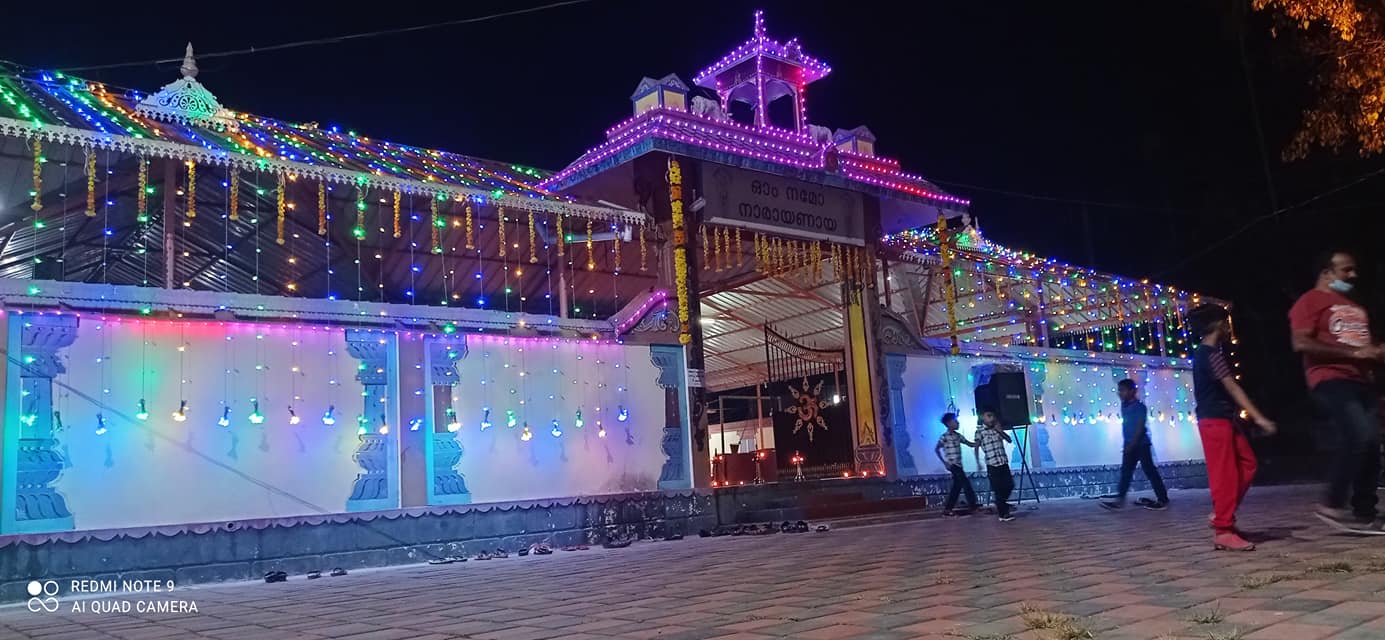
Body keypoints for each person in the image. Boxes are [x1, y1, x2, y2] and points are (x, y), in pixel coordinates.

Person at [1288, 249, 1385, 533]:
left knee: (1371, 445)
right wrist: (1356, 354)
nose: (1353, 275)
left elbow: (1361, 347)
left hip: (1362, 381)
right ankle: (1332, 504)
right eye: (1347, 270)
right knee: (1359, 435)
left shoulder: (1355, 307)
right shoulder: (1310, 300)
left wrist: (1376, 353)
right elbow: (1301, 343)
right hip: (1330, 379)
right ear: (1327, 273)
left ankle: (1365, 513)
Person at [1188, 304, 1276, 552]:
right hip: (1214, 421)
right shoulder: (1210, 354)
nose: (1229, 327)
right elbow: (1233, 388)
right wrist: (1260, 418)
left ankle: (1221, 515)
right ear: (1217, 324)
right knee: (1224, 476)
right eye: (1226, 322)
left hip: (1224, 420)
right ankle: (1223, 530)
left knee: (1248, 464)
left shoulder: (1210, 353)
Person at [1101, 379, 1170, 511]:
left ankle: (1162, 499)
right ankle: (1119, 501)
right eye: (1119, 390)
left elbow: (1139, 428)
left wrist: (1131, 445)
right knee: (1126, 472)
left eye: (1122, 390)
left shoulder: (1140, 407)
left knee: (1150, 471)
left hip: (1141, 445)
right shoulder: (1124, 406)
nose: (1120, 393)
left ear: (1132, 391)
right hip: (1129, 444)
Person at [974, 409, 1015, 522]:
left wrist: (1000, 431)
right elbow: (976, 447)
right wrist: (978, 462)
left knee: (1009, 485)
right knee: (998, 489)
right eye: (989, 416)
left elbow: (1009, 440)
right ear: (983, 417)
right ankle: (1003, 515)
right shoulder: (980, 431)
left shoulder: (997, 429)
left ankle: (1001, 504)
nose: (992, 418)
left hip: (1003, 462)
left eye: (993, 416)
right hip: (992, 464)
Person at [935, 412, 978, 516]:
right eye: (955, 421)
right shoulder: (944, 437)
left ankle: (948, 508)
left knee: (957, 487)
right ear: (949, 423)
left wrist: (978, 443)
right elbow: (936, 449)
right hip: (953, 465)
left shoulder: (958, 436)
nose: (958, 423)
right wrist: (945, 462)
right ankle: (973, 506)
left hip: (959, 465)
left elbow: (969, 444)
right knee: (966, 484)